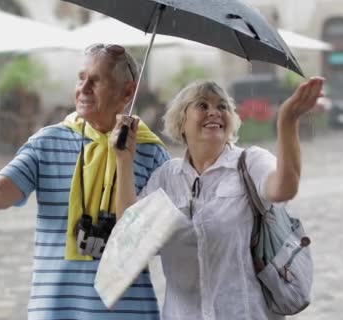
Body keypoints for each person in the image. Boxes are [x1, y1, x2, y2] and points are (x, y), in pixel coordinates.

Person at [0, 44, 169, 320]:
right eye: (81, 78)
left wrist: (123, 161)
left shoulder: (153, 155)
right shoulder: (46, 143)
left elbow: (143, 243)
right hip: (56, 310)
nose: (83, 88)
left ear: (127, 91)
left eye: (96, 81)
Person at [112, 77, 324, 319]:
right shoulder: (166, 177)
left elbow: (284, 188)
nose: (214, 112)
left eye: (222, 106)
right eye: (202, 105)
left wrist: (287, 120)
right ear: (181, 122)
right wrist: (123, 159)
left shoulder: (251, 162)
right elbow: (130, 235)